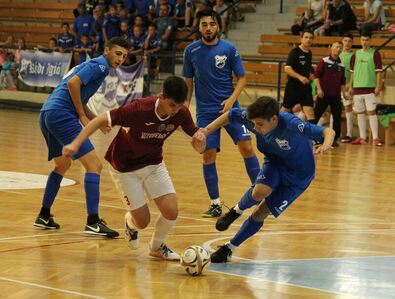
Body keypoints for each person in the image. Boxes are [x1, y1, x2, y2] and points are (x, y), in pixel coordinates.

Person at [63, 76, 206, 260]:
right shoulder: (138, 108)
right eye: (172, 105)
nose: (175, 111)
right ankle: (131, 223)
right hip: (125, 168)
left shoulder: (181, 113)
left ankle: (156, 247)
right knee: (143, 221)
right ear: (161, 96)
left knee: (171, 212)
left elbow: (198, 148)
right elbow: (100, 120)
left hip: (153, 164)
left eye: (179, 106)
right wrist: (76, 144)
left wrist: (201, 141)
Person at [191, 96, 335, 262]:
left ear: (274, 119)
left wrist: (326, 143)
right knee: (259, 191)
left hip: (299, 176)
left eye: (260, 124)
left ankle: (229, 248)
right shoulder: (254, 119)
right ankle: (235, 211)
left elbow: (327, 131)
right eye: (254, 124)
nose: (256, 128)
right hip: (274, 161)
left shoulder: (292, 124)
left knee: (261, 212)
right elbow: (230, 115)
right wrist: (205, 131)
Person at [34, 37, 130, 238]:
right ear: (106, 50)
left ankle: (43, 215)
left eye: (124, 56)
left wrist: (97, 121)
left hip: (47, 113)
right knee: (94, 166)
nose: (121, 59)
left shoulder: (93, 64)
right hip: (61, 115)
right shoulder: (101, 66)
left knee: (62, 166)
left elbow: (77, 94)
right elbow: (73, 84)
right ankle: (93, 221)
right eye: (118, 53)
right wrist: (81, 115)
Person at [183, 8, 260, 218]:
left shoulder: (229, 49)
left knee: (246, 146)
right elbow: (188, 82)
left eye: (212, 24)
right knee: (208, 156)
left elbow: (242, 78)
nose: (208, 28)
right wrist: (184, 109)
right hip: (206, 113)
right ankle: (215, 203)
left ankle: (260, 193)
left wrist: (231, 100)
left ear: (219, 26)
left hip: (231, 110)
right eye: (204, 24)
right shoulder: (191, 51)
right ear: (199, 27)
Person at [350, 32, 383, 146]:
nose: (364, 42)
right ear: (360, 40)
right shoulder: (355, 54)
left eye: (367, 40)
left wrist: (378, 86)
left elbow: (379, 72)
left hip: (370, 89)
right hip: (357, 89)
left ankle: (375, 138)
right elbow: (352, 73)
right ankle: (362, 137)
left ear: (370, 41)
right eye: (363, 40)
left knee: (371, 113)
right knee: (360, 113)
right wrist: (350, 86)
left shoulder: (375, 53)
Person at [313, 41, 347, 146]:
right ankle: (310, 136)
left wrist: (344, 94)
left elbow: (342, 82)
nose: (338, 49)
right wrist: (319, 89)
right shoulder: (324, 61)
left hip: (336, 96)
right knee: (316, 116)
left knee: (337, 118)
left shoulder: (342, 65)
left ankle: (334, 140)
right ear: (331, 48)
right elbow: (316, 76)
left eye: (340, 48)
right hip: (324, 94)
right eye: (336, 47)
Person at [281, 30, 316, 124]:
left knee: (310, 112)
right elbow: (287, 69)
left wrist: (310, 74)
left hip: (305, 87)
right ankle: (273, 130)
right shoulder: (295, 52)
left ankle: (312, 137)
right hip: (293, 86)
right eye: (306, 37)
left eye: (310, 38)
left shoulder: (309, 53)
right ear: (301, 39)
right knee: (285, 110)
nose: (308, 39)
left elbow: (306, 67)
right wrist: (300, 77)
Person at [339, 34, 354, 143]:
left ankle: (349, 134)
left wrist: (350, 84)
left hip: (347, 86)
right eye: (345, 40)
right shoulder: (337, 54)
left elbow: (355, 72)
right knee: (334, 110)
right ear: (342, 41)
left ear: (352, 42)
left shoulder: (354, 55)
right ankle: (334, 133)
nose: (347, 43)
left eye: (349, 41)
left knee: (348, 108)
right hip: (336, 87)